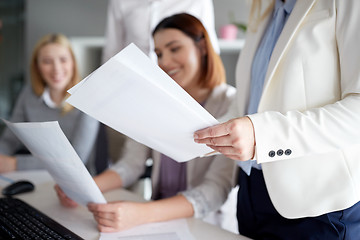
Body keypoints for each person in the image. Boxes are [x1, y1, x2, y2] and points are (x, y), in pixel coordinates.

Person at [55, 13, 236, 232]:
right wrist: (84, 188)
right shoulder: (158, 101)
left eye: (174, 49)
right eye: (158, 54)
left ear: (203, 48)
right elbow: (132, 163)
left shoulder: (230, 103)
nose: (165, 62)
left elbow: (215, 189)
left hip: (207, 226)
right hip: (156, 221)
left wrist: (141, 214)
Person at [194, 0, 360, 239]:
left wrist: (262, 135)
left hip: (318, 204)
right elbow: (250, 99)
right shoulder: (265, 7)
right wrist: (197, 129)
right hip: (252, 191)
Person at [0, 33, 99, 173]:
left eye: (63, 60)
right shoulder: (28, 94)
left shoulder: (88, 99)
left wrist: (16, 164)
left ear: (73, 63)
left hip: (76, 179)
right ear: (37, 67)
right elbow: (9, 140)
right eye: (47, 61)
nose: (56, 68)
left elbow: (76, 159)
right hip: (36, 175)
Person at [101, 0, 219, 63]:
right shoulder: (120, 2)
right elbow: (112, 51)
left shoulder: (198, 2)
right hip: (134, 83)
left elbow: (210, 50)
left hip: (182, 84)